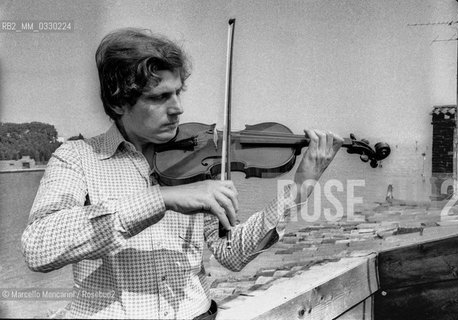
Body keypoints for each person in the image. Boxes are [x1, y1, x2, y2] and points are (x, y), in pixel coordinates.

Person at [21, 28, 343, 319]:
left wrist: (301, 187)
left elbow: (231, 253)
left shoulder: (197, 160)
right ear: (119, 103)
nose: (178, 108)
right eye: (160, 97)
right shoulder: (78, 158)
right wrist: (160, 198)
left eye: (178, 92)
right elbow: (39, 246)